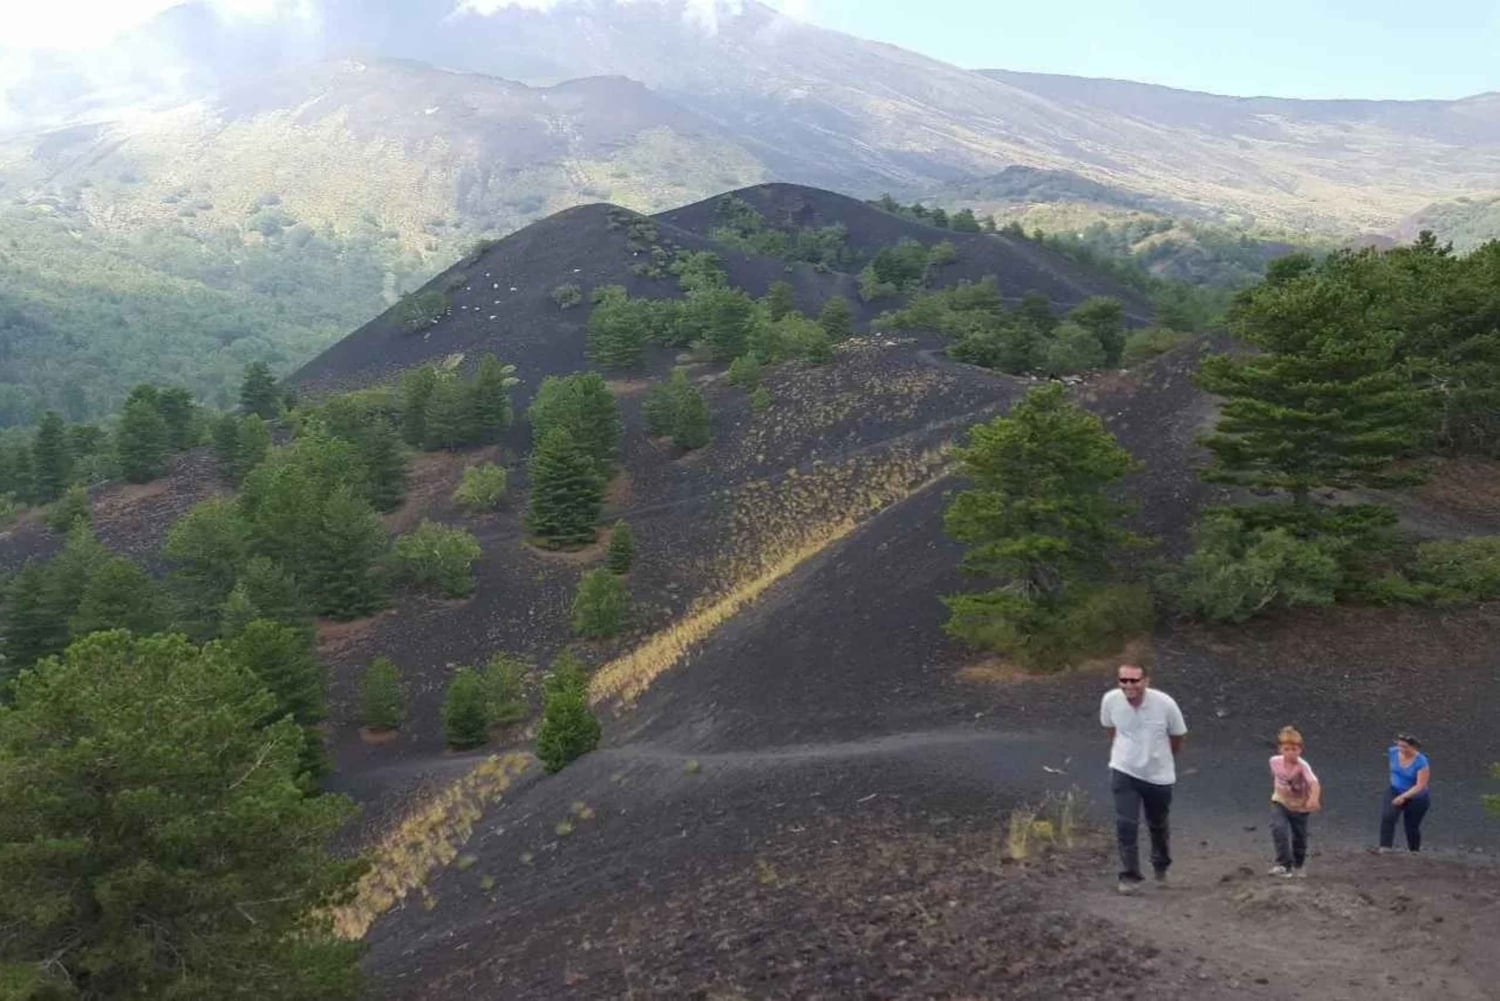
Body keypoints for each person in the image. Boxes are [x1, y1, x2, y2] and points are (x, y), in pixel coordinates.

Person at [1100, 663, 1187, 894]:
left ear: (1146, 681)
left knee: (1157, 824)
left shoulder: (1165, 704)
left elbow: (1178, 736)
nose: (1129, 685)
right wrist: (1125, 752)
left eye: (1134, 680)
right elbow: (1111, 729)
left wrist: (1161, 757)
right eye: (1124, 680)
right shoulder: (1110, 700)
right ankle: (1130, 875)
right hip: (1124, 769)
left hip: (1158, 775)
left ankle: (1161, 865)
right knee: (1126, 823)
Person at [1267, 726, 1321, 878]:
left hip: (1300, 806)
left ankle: (1299, 864)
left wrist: (1313, 799)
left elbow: (1314, 783)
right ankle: (1283, 865)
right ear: (1280, 749)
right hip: (1280, 801)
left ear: (1300, 750)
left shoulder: (1303, 766)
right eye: (1286, 749)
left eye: (1294, 749)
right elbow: (1276, 776)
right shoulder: (1274, 761)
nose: (1290, 752)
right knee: (1278, 828)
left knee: (1299, 837)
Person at [1379, 734, 1431, 852]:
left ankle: (1414, 851)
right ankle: (1385, 847)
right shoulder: (1393, 752)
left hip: (1417, 796)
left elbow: (1420, 785)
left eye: (1405, 747)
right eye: (1400, 746)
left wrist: (1403, 797)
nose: (1401, 749)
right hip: (1395, 789)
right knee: (1388, 816)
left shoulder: (1421, 761)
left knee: (1411, 826)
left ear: (1413, 747)